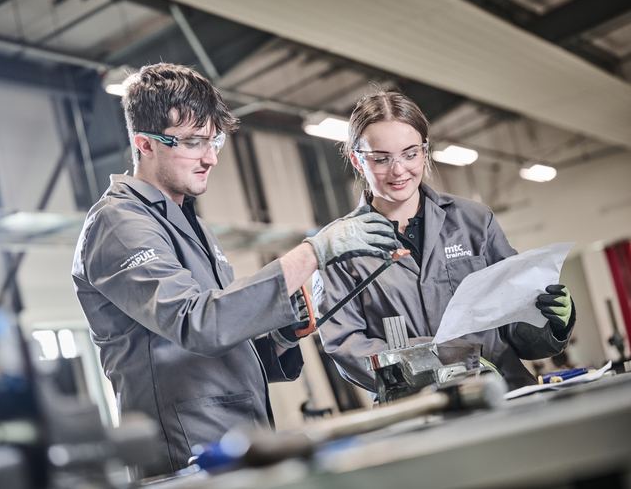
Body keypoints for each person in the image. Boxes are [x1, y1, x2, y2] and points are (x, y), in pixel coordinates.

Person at [71, 63, 401, 476]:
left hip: (238, 443)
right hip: (186, 457)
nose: (210, 157)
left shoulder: (191, 224)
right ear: (145, 144)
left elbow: (223, 339)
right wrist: (314, 251)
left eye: (214, 141)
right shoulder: (118, 223)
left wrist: (279, 338)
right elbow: (198, 323)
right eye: (193, 142)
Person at [313, 90, 576, 396]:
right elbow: (346, 346)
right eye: (382, 159)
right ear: (358, 161)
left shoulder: (474, 221)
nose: (398, 170)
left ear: (424, 151)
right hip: (418, 410)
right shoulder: (338, 247)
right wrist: (444, 364)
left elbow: (515, 326)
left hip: (503, 393)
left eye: (410, 154)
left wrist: (551, 323)